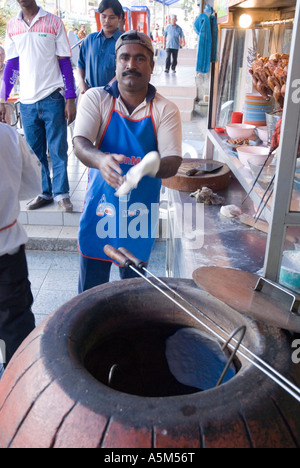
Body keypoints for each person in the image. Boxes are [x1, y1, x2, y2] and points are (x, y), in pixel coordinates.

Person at [73, 30, 182, 292]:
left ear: (152, 65)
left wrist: (148, 166)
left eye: (139, 58)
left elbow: (173, 162)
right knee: (90, 293)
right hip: (101, 210)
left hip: (139, 215)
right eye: (124, 58)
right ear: (116, 62)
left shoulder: (165, 109)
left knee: (133, 296)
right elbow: (80, 143)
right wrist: (100, 160)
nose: (131, 64)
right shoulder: (96, 98)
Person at [0, 0, 77, 213]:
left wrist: (70, 98)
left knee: (58, 149)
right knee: (35, 153)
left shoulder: (53, 22)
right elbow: (12, 65)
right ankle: (44, 192)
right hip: (26, 102)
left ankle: (62, 194)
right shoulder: (12, 26)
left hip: (52, 97)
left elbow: (64, 61)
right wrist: (3, 98)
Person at [0, 123, 41, 374]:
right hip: (7, 252)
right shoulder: (7, 134)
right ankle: (16, 391)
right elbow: (32, 186)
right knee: (14, 328)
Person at [77, 0, 123, 94]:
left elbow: (125, 70)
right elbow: (81, 64)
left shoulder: (124, 42)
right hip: (90, 95)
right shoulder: (89, 40)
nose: (107, 21)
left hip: (114, 97)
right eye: (104, 16)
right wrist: (82, 82)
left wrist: (106, 90)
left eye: (112, 17)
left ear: (119, 18)